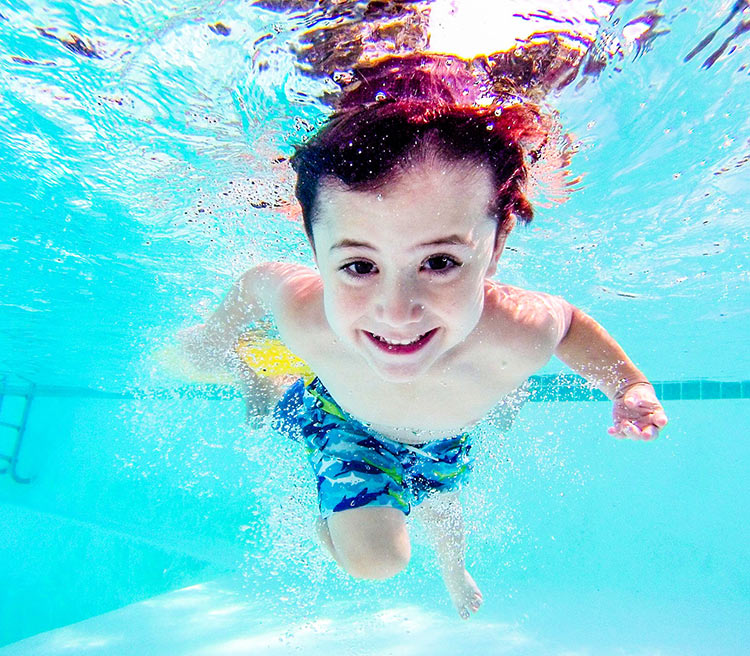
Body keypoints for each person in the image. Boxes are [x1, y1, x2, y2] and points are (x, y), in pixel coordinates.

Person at [179, 53, 668, 620]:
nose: (398, 312)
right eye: (360, 266)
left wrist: (628, 384)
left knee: (441, 503)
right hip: (345, 426)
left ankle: (453, 569)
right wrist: (216, 336)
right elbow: (258, 282)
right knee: (375, 560)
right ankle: (279, 416)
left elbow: (572, 325)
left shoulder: (518, 327)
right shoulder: (306, 314)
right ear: (315, 254)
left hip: (443, 439)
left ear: (496, 248)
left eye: (439, 261)